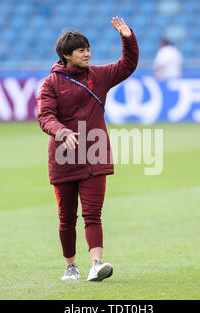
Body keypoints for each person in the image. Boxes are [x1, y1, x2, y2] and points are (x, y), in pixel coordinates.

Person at [37, 17, 139, 281]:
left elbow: (127, 65)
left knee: (93, 214)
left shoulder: (99, 75)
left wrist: (128, 39)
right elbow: (44, 115)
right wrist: (60, 131)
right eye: (81, 50)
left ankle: (96, 264)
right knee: (66, 218)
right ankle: (71, 266)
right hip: (63, 158)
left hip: (95, 155)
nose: (87, 53)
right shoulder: (51, 84)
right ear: (66, 55)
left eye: (88, 48)